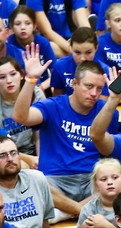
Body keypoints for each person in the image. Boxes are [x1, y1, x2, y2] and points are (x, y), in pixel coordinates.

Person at [12, 48, 107, 217]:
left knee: (119, 180)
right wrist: (31, 80)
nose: (94, 93)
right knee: (32, 181)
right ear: (74, 84)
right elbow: (20, 116)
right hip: (55, 180)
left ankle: (64, 212)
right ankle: (80, 211)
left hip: (90, 180)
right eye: (89, 86)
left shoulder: (107, 112)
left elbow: (108, 153)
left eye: (99, 89)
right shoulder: (52, 106)